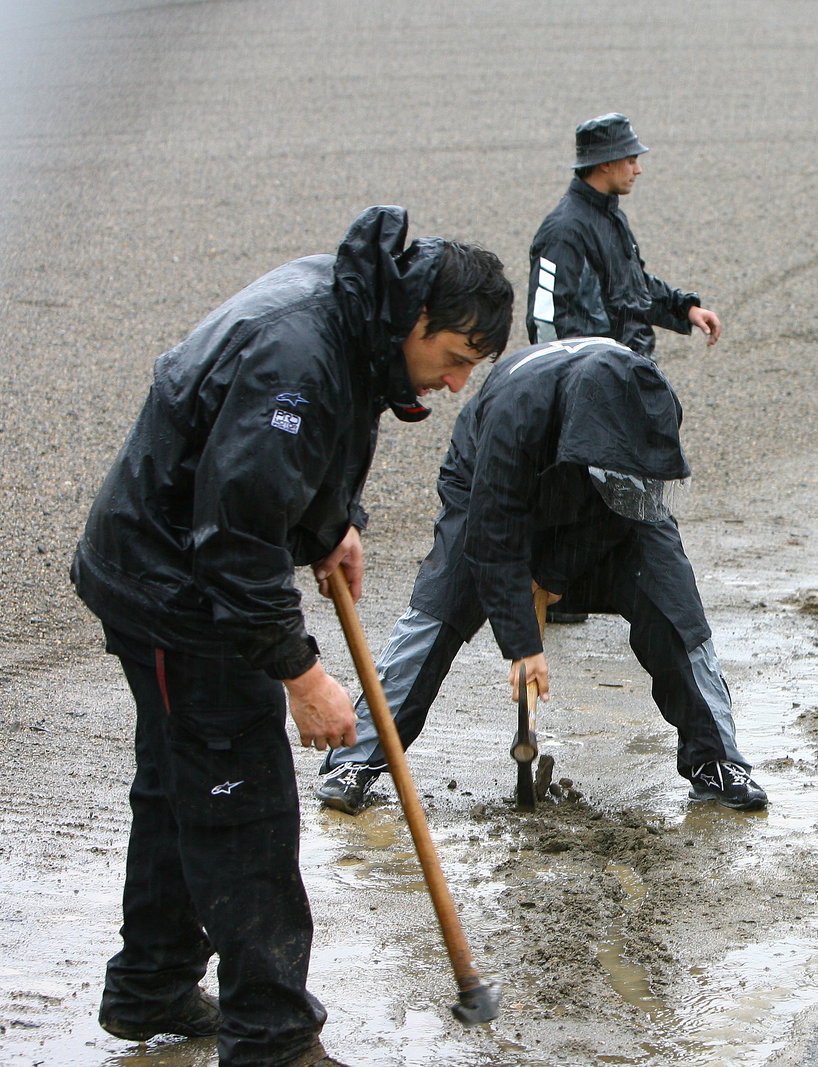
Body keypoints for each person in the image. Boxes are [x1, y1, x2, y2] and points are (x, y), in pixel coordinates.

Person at [70, 206, 514, 1065]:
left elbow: (292, 458)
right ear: (417, 320)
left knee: (177, 779)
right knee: (247, 806)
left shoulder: (358, 315)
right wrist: (301, 673)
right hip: (174, 589)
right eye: (454, 359)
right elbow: (235, 536)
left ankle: (151, 982)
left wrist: (328, 523)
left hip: (163, 564)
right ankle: (271, 1038)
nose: (455, 384)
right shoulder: (301, 355)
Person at [313, 336, 767, 816]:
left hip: (610, 499)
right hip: (489, 492)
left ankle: (716, 763)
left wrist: (552, 572)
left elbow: (625, 509)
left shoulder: (647, 394)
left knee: (675, 611)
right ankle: (356, 759)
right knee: (438, 610)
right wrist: (523, 647)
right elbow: (492, 540)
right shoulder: (516, 415)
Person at [526, 112, 721, 359]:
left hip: (630, 369)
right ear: (606, 163)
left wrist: (686, 310)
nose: (638, 170)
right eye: (630, 160)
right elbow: (546, 321)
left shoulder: (610, 217)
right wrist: (566, 380)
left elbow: (632, 286)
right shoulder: (563, 231)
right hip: (596, 378)